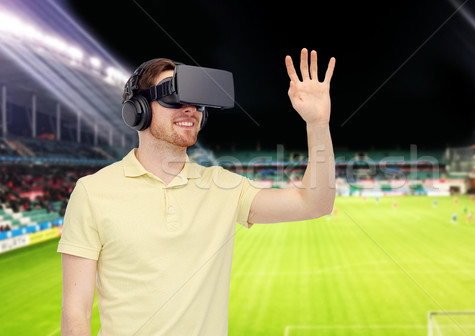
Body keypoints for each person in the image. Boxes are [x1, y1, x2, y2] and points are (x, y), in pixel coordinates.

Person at [58, 49, 336, 336]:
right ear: (138, 109)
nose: (190, 109)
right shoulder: (92, 192)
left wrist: (317, 125)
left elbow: (314, 203)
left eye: (197, 103)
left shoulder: (223, 187)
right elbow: (75, 315)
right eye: (175, 98)